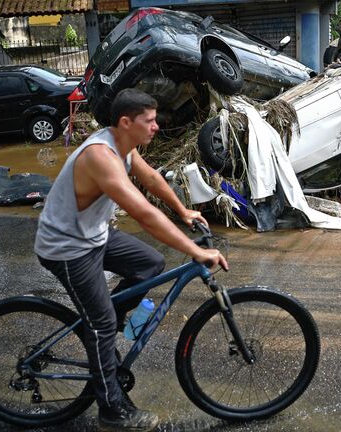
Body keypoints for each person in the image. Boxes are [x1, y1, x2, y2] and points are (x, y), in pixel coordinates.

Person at [34, 88, 228, 431]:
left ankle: (106, 328)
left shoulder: (123, 146)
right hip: (66, 248)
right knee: (102, 324)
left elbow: (151, 178)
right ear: (126, 122)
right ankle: (111, 411)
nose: (156, 127)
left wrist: (183, 210)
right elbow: (143, 214)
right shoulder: (100, 156)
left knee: (150, 265)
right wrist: (196, 251)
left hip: (92, 235)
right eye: (149, 121)